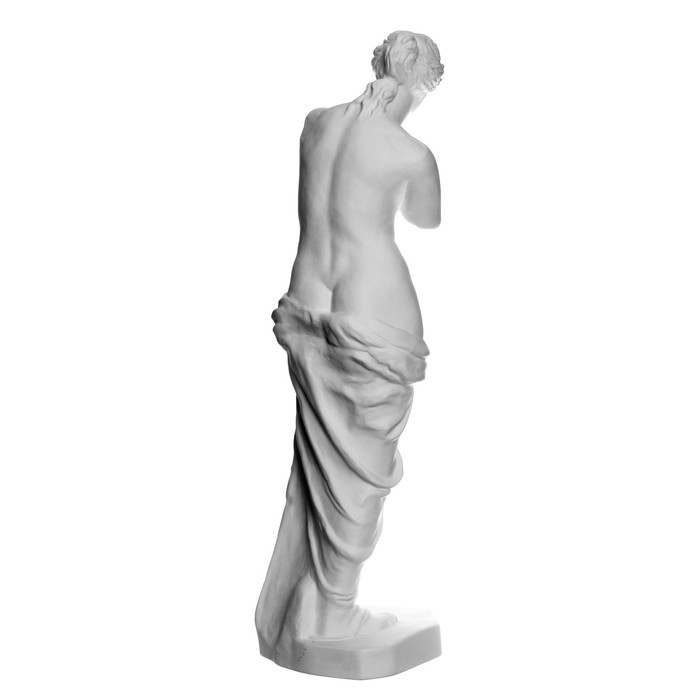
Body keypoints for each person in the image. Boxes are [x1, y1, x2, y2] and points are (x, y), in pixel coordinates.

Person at [255, 31, 444, 674]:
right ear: (425, 83)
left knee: (321, 467)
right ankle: (333, 607)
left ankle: (313, 609)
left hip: (306, 303)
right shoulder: (412, 153)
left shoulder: (315, 124)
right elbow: (425, 219)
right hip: (374, 313)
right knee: (362, 474)